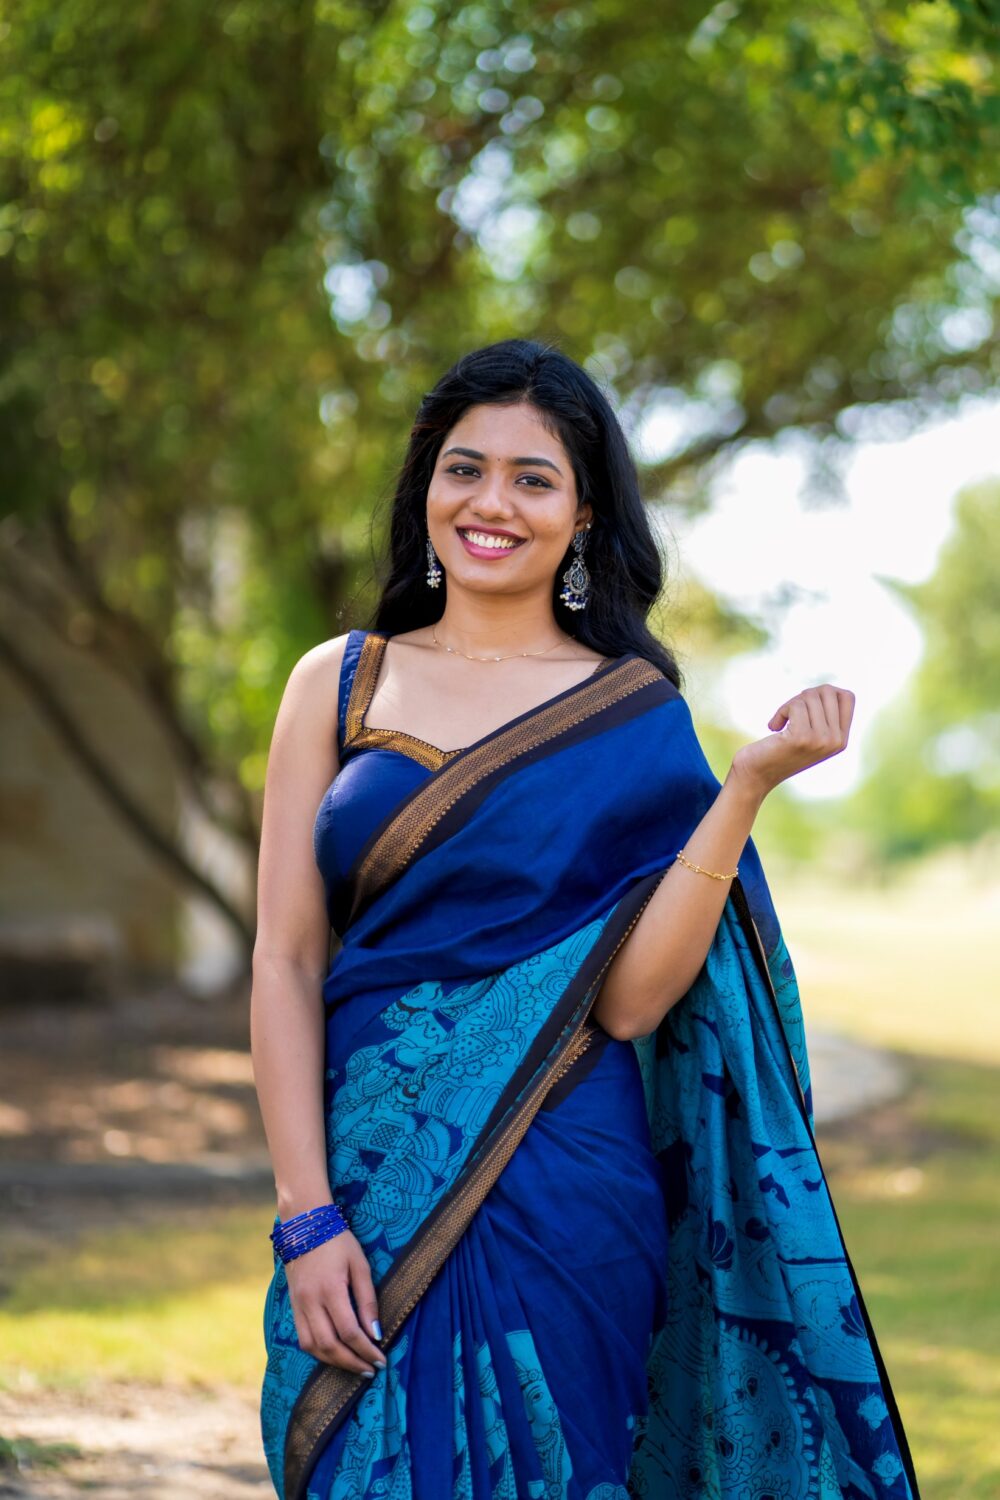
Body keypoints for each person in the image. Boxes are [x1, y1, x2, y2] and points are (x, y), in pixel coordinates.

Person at [253, 338, 921, 1500]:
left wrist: (746, 786)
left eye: (532, 478)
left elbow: (628, 1001)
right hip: (366, 1170)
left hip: (566, 1172)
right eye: (464, 469)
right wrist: (306, 1217)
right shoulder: (340, 679)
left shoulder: (630, 713)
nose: (490, 503)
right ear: (423, 488)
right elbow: (284, 957)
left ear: (583, 515)